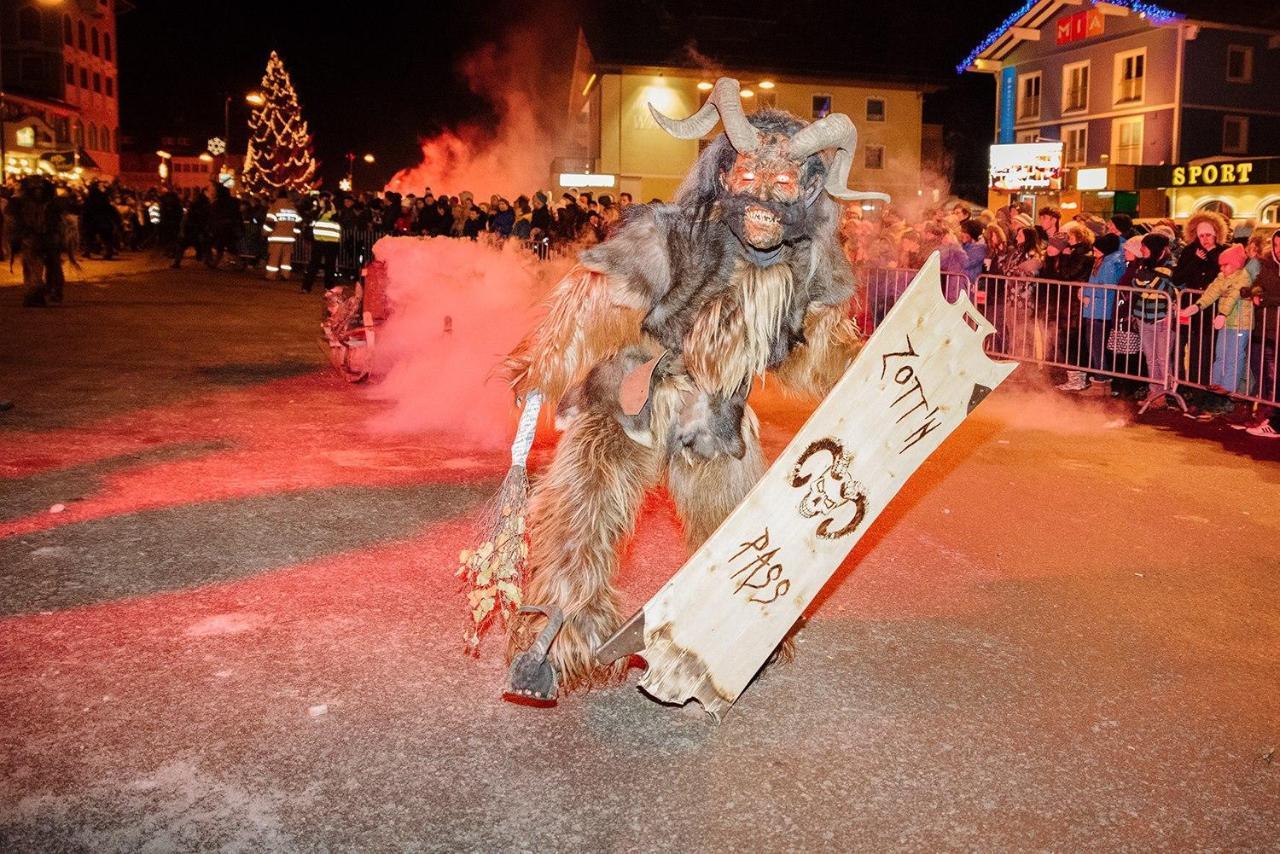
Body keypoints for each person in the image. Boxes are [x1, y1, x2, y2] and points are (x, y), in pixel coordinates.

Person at [1179, 243, 1252, 401]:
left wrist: (1222, 314)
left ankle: (1229, 385)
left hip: (1239, 323)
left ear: (1235, 264)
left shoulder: (1243, 277)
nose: (1222, 269)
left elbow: (1233, 296)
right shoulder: (1222, 277)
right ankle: (1216, 381)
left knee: (1234, 355)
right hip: (1225, 322)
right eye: (1221, 265)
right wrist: (1197, 306)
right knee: (1220, 353)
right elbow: (1211, 292)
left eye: (1225, 265)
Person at [1172, 210, 1229, 398]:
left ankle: (1206, 391)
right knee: (1193, 349)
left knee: (1209, 350)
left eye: (1208, 235)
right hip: (1192, 306)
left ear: (1216, 234)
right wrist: (1195, 261)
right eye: (1201, 235)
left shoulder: (1222, 251)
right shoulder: (1190, 251)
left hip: (1213, 307)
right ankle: (1190, 388)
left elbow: (1223, 275)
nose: (1205, 239)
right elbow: (1178, 277)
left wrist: (1212, 254)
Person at [1060, 233, 1124, 391]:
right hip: (1095, 309)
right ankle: (1100, 381)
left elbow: (1106, 287)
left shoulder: (1109, 264)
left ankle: (1101, 383)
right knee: (1094, 346)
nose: (1094, 251)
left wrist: (1086, 291)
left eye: (1097, 249)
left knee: (1097, 347)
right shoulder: (1103, 261)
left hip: (1099, 310)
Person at [1131, 233, 1178, 406]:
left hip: (1162, 318)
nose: (1141, 250)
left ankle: (1166, 393)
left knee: (1163, 358)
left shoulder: (1171, 266)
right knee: (1150, 358)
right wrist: (1148, 282)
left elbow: (1165, 289)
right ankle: (1155, 393)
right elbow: (1136, 285)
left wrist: (1148, 281)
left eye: (1145, 246)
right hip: (1144, 316)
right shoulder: (1143, 265)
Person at [1243, 229, 1280, 438]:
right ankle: (1272, 416)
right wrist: (1256, 292)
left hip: (1274, 325)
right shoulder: (1267, 265)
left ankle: (1275, 422)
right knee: (1269, 376)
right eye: (1276, 245)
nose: (1278, 250)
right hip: (1268, 328)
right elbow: (1258, 283)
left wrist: (1265, 299)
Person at [303, 193, 341, 293]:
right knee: (330, 266)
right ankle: (329, 288)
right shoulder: (334, 210)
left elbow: (310, 222)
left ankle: (306, 287)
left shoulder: (318, 212)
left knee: (314, 264)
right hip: (333, 242)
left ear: (321, 200)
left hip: (319, 241)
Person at [263, 188, 300, 280]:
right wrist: (295, 234)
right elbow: (298, 223)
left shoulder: (274, 207)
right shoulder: (292, 208)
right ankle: (285, 275)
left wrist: (265, 233)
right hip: (289, 238)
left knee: (274, 257)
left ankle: (271, 276)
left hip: (276, 237)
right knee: (286, 257)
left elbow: (269, 223)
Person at [171, 188, 211, 268]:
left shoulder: (193, 207)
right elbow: (207, 220)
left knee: (182, 246)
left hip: (190, 230)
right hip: (197, 230)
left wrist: (182, 230)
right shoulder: (205, 208)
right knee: (204, 246)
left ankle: (177, 262)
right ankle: (207, 261)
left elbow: (185, 219)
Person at [206, 184, 243, 269]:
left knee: (221, 246)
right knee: (230, 246)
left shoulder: (217, 203)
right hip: (230, 227)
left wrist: (211, 227)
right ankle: (239, 264)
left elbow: (212, 216)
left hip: (221, 228)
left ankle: (217, 263)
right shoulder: (234, 202)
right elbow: (238, 215)